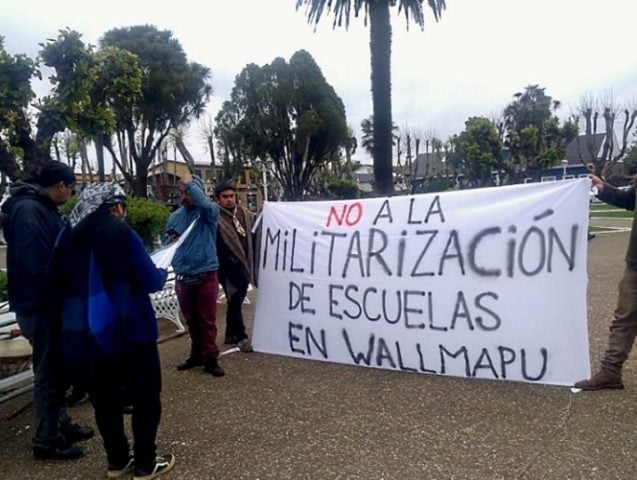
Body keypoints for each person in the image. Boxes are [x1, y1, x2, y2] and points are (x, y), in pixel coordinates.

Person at [57, 183, 175, 479]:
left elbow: (54, 281)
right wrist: (161, 274)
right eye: (121, 205)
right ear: (114, 206)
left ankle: (117, 462)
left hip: (88, 334)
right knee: (146, 397)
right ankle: (146, 464)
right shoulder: (122, 233)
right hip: (131, 329)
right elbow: (149, 280)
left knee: (105, 401)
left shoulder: (67, 235)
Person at [1, 161, 94, 460]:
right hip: (41, 305)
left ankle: (60, 422)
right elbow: (35, 263)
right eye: (72, 188)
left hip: (46, 302)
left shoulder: (39, 206)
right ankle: (46, 438)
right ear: (61, 186)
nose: (71, 194)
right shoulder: (29, 210)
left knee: (57, 368)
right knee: (49, 372)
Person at [575, 174, 637, 390]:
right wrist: (604, 189)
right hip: (635, 264)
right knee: (624, 318)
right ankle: (611, 372)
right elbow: (631, 200)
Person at [166, 172, 225, 377]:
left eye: (189, 192)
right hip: (183, 278)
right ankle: (196, 353)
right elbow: (169, 244)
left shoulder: (208, 213)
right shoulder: (174, 217)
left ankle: (211, 358)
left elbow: (204, 203)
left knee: (207, 320)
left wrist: (191, 184)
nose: (185, 197)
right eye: (182, 192)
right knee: (191, 320)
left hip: (205, 275)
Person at [214, 182, 256, 353]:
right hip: (226, 266)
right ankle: (241, 336)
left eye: (231, 196)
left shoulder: (244, 213)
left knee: (235, 299)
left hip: (245, 262)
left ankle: (230, 334)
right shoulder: (215, 217)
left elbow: (256, 224)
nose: (229, 200)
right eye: (225, 197)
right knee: (235, 298)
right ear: (218, 199)